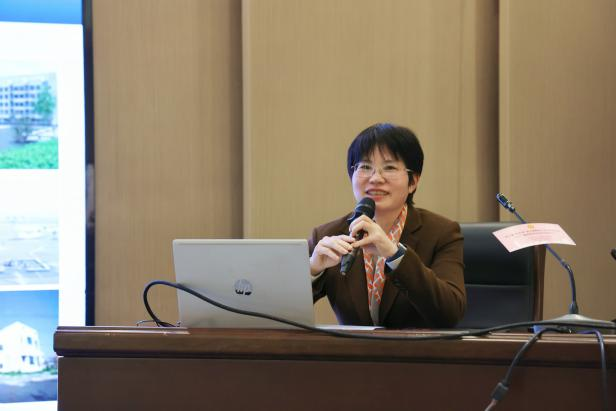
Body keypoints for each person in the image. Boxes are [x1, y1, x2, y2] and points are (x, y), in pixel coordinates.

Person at [308, 123, 465, 328]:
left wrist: (395, 255)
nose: (375, 178)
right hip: (352, 349)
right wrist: (311, 270)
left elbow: (451, 313)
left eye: (389, 168)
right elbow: (277, 312)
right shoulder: (327, 235)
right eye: (365, 167)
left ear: (413, 181)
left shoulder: (441, 233)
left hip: (416, 348)